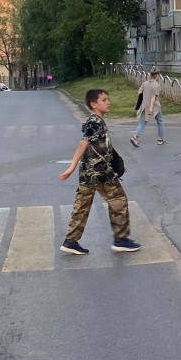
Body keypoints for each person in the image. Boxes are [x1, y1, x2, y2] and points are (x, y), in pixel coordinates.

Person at [59, 89, 141, 254]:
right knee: (119, 200)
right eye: (104, 100)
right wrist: (71, 167)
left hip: (89, 174)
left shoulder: (97, 121)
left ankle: (70, 241)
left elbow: (102, 147)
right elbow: (84, 143)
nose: (108, 102)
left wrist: (117, 163)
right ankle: (121, 239)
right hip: (100, 173)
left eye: (107, 99)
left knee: (82, 206)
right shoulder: (95, 121)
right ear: (93, 104)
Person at [130, 66, 166, 147]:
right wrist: (151, 107)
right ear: (157, 75)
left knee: (142, 123)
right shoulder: (156, 85)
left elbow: (139, 92)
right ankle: (160, 139)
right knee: (160, 122)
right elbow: (154, 97)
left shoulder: (145, 83)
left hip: (144, 105)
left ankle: (135, 137)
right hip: (155, 107)